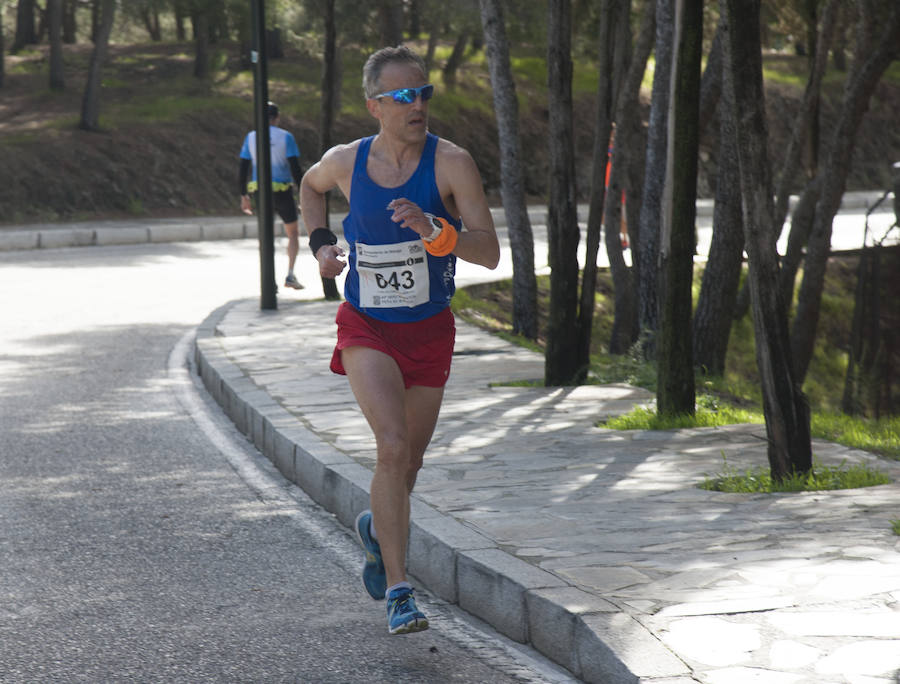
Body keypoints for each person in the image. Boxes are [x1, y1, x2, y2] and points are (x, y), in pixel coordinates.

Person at [299, 45, 500, 635]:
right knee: (390, 445)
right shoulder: (344, 161)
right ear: (375, 106)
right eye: (405, 96)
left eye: (425, 93)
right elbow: (309, 189)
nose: (419, 105)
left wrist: (439, 231)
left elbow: (488, 252)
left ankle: (373, 529)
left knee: (407, 463)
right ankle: (399, 590)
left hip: (430, 330)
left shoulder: (452, 163)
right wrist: (320, 244)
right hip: (366, 323)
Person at [239, 102, 305, 290]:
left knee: (265, 236)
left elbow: (243, 167)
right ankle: (290, 274)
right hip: (282, 191)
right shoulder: (286, 137)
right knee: (292, 233)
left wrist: (243, 194)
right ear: (277, 118)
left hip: (259, 191)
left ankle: (268, 278)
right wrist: (302, 194)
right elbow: (295, 167)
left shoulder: (251, 137)